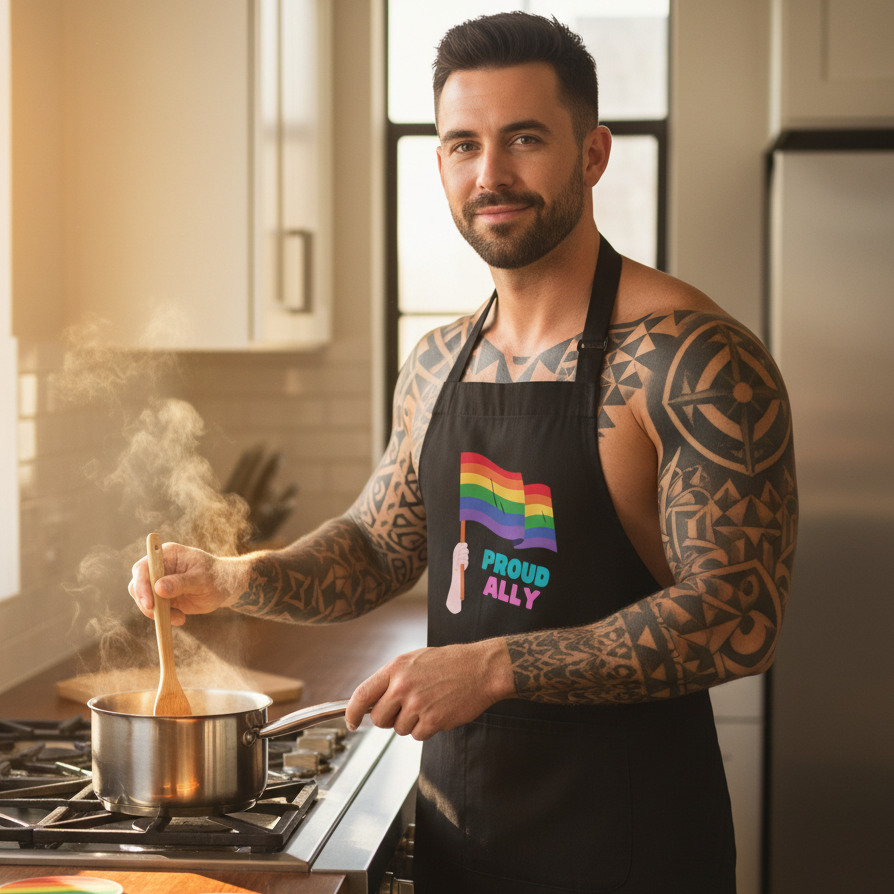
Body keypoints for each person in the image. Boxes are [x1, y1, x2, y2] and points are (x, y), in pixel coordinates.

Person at [130, 12, 797, 893]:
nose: (491, 175)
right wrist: (233, 577)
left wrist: (494, 665)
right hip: (465, 830)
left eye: (525, 139)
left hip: (630, 840)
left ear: (592, 155)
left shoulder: (693, 357)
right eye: (463, 145)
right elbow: (377, 549)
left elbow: (739, 618)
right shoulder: (439, 360)